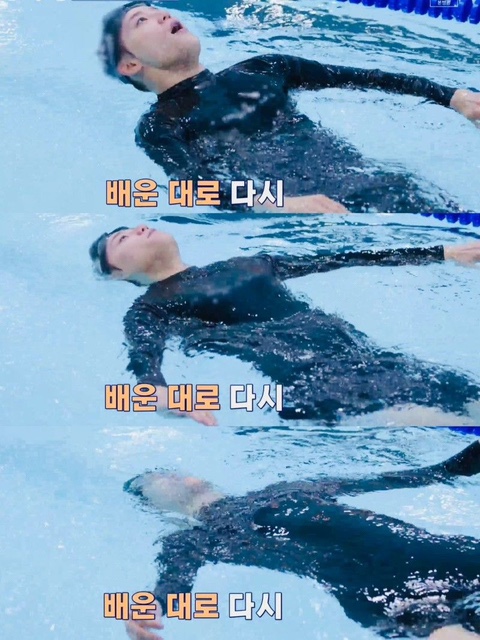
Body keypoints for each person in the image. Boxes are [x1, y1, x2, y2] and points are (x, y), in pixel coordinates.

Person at [97, 2, 480, 214]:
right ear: (129, 64)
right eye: (142, 20)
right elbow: (198, 190)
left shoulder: (263, 67)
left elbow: (366, 78)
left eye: (157, 8)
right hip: (329, 217)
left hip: (388, 186)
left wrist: (451, 97)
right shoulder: (160, 126)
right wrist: (283, 205)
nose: (163, 13)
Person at [89, 223, 480, 426]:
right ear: (118, 273)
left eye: (134, 226)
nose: (139, 229)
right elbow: (144, 364)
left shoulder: (250, 263)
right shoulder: (151, 308)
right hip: (319, 387)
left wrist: (442, 253)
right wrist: (166, 400)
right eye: (123, 239)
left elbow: (343, 258)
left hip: (373, 361)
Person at [123, 439, 480, 640]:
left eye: (170, 472)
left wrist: (458, 465)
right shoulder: (194, 540)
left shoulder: (288, 489)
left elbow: (387, 480)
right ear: (158, 506)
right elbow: (172, 582)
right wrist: (148, 610)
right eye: (154, 481)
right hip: (376, 588)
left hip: (437, 551)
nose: (173, 477)